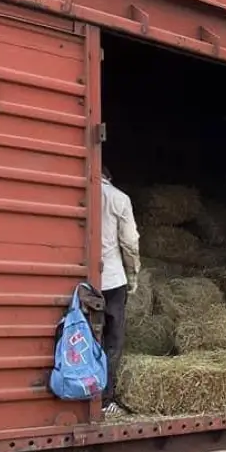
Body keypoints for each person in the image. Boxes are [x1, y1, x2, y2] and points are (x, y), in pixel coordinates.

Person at [100, 165, 140, 416]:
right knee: (112, 341)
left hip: (82, 282)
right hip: (112, 280)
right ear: (109, 176)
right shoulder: (118, 197)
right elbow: (130, 242)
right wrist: (133, 275)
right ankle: (105, 399)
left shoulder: (76, 194)